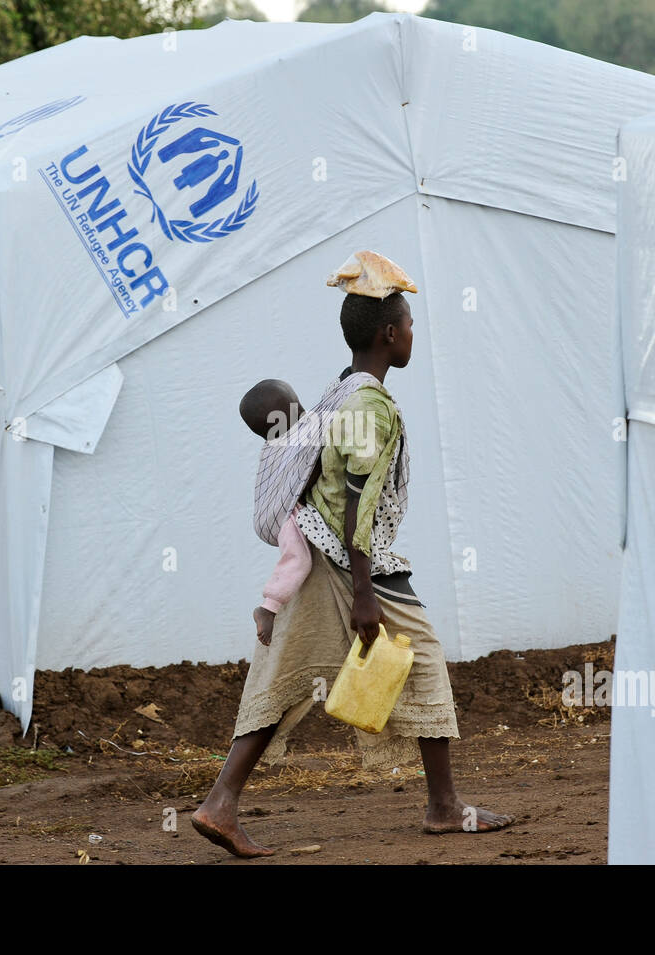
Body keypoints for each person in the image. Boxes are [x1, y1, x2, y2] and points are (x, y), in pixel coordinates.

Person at [193, 251, 514, 857]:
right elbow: (357, 500)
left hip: (324, 557)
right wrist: (365, 593)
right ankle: (443, 808)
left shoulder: (343, 388)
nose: (414, 333)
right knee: (418, 657)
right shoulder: (368, 404)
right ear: (390, 335)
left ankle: (221, 803)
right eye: (410, 324)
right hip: (348, 562)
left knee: (285, 676)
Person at [238, 379, 313, 646]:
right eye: (297, 412)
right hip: (286, 518)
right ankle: (268, 607)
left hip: (288, 511)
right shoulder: (285, 448)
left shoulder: (298, 434)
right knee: (298, 559)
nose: (306, 416)